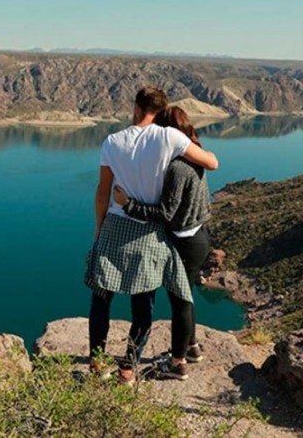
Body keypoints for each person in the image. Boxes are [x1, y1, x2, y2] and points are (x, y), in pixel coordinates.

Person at [86, 86, 218, 384]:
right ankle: (128, 369)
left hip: (114, 225)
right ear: (162, 111)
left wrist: (98, 229)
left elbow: (102, 193)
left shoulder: (111, 141)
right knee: (142, 305)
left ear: (136, 107)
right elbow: (210, 162)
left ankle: (96, 362)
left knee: (101, 298)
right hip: (147, 232)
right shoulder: (170, 138)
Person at [113, 106, 212, 380]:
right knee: (186, 297)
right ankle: (191, 346)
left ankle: (177, 362)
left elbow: (165, 214)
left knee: (179, 301)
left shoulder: (178, 167)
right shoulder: (197, 158)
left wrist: (127, 204)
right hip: (199, 238)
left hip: (184, 243)